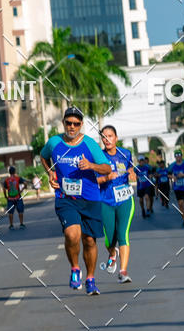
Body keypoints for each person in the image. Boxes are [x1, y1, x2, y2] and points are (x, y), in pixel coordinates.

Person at [40, 106, 112, 294]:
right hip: (66, 198)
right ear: (63, 123)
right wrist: (50, 174)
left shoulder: (89, 143)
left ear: (81, 125)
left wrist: (91, 165)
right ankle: (74, 268)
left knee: (89, 240)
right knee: (72, 235)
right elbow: (43, 156)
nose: (72, 127)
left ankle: (90, 278)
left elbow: (107, 168)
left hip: (90, 198)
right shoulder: (54, 142)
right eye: (68, 123)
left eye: (76, 124)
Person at [97, 125, 136, 282]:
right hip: (106, 201)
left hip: (125, 199)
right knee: (109, 239)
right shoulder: (98, 157)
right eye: (104, 137)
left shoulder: (125, 154)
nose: (107, 139)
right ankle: (112, 254)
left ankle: (123, 271)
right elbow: (93, 180)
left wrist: (132, 173)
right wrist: (106, 178)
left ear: (116, 138)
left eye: (110, 136)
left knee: (122, 234)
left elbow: (131, 169)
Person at [169, 149, 184, 226]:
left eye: (179, 156)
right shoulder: (172, 165)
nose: (178, 157)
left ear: (181, 156)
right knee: (180, 203)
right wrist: (173, 177)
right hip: (177, 187)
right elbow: (168, 174)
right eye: (176, 156)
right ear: (175, 157)